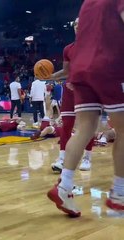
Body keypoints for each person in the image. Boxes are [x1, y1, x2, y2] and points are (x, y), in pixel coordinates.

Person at [47, 0, 124, 217]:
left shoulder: (88, 3)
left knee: (84, 129)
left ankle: (64, 186)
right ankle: (119, 195)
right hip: (109, 66)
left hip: (81, 70)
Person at [47, 18, 94, 173]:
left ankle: (87, 158)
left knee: (85, 126)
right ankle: (62, 159)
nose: (77, 28)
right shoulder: (68, 49)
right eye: (75, 26)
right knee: (66, 125)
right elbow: (66, 72)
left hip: (87, 90)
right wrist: (51, 76)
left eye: (80, 25)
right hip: (69, 91)